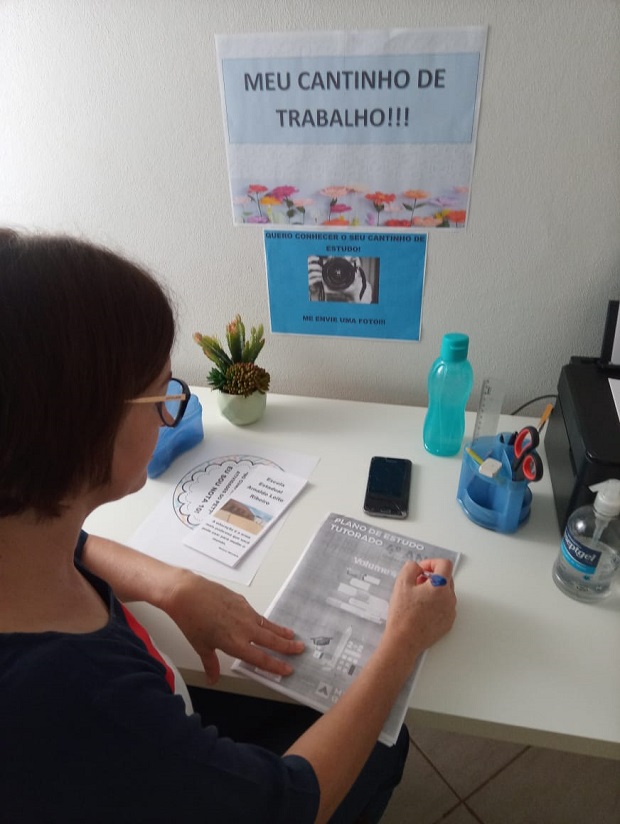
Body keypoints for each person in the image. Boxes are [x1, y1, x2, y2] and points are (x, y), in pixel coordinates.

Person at [0, 229, 456, 823]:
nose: (172, 414)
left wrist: (172, 586)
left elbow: (79, 549)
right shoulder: (84, 696)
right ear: (83, 426)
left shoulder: (24, 537)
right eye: (162, 395)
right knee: (386, 744)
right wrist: (402, 642)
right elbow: (292, 804)